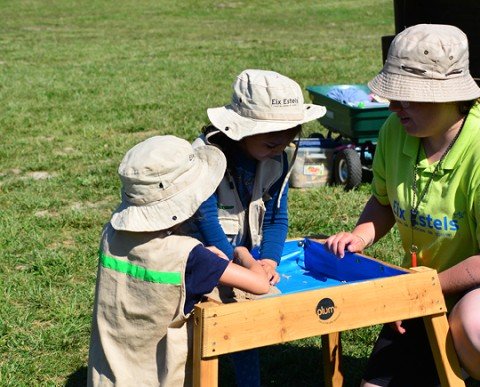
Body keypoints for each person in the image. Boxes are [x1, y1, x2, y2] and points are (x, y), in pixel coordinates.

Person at [325, 24, 480, 385]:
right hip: (426, 287)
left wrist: (417, 294)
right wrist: (360, 237)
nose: (393, 105)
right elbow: (382, 202)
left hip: (457, 293)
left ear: (447, 96)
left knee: (472, 325)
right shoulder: (395, 130)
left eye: (406, 95)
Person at [87, 135, 272, 386]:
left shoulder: (111, 236)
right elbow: (260, 285)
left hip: (109, 376)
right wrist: (243, 254)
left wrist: (205, 254)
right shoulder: (191, 257)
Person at [188, 68, 326, 386]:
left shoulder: (278, 159)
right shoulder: (207, 160)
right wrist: (245, 263)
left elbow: (278, 217)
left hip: (242, 253)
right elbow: (206, 221)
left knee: (244, 324)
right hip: (200, 253)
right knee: (194, 332)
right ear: (240, 130)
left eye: (289, 136)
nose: (280, 146)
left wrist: (268, 260)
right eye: (270, 141)